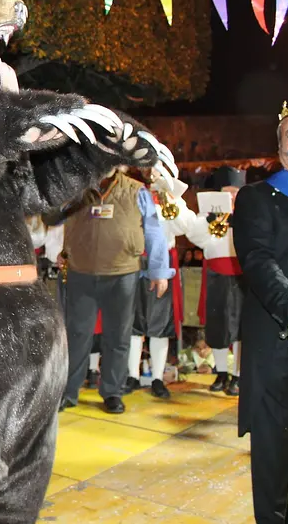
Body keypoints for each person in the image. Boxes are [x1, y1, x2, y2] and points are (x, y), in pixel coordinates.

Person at [233, 96, 288, 523]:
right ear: (279, 145)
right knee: (278, 467)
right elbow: (258, 260)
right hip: (283, 345)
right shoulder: (256, 198)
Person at [61, 166, 173, 414]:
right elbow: (67, 221)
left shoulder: (136, 190)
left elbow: (154, 231)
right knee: (77, 335)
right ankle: (68, 391)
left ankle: (112, 392)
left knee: (118, 337)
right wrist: (66, 251)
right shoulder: (80, 185)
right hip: (82, 271)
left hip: (122, 273)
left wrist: (158, 271)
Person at [127, 169, 196, 399]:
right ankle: (132, 376)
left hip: (164, 260)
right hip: (136, 259)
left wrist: (172, 199)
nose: (153, 175)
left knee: (159, 323)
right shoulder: (135, 193)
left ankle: (157, 377)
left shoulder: (174, 196)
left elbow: (185, 227)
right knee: (134, 322)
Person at [184, 166, 245, 396]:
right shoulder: (207, 215)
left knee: (240, 329)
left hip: (242, 274)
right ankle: (221, 373)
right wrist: (209, 222)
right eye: (226, 192)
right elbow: (195, 237)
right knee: (218, 326)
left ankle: (237, 375)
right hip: (217, 273)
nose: (230, 196)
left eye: (234, 192)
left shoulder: (248, 212)